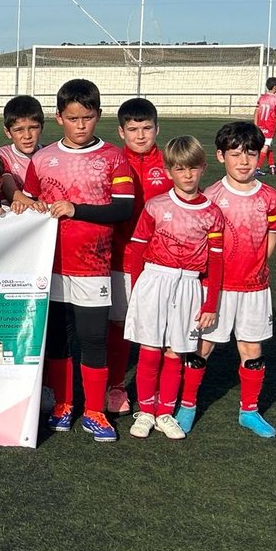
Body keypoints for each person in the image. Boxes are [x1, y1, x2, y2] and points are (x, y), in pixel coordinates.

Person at [20, 79, 137, 442]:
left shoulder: (112, 157)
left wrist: (75, 209)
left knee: (93, 339)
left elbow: (123, 208)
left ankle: (95, 410)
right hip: (51, 265)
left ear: (98, 115)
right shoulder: (42, 159)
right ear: (59, 118)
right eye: (73, 118)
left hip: (93, 265)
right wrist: (28, 204)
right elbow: (24, 200)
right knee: (58, 338)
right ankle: (64, 404)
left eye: (87, 117)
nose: (81, 125)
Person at [122, 136, 224, 441]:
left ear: (203, 168)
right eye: (180, 169)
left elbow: (216, 262)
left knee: (175, 351)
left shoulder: (212, 212)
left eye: (193, 168)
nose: (188, 175)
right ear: (169, 172)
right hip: (155, 281)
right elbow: (138, 249)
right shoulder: (156, 205)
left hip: (189, 285)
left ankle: (165, 412)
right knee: (150, 348)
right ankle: (146, 412)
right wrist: (135, 288)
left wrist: (210, 304)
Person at [195, 121, 276, 438]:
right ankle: (188, 406)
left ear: (260, 156)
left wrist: (256, 265)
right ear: (220, 156)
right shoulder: (210, 196)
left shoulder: (269, 197)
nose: (244, 161)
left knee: (251, 349)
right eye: (235, 154)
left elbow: (272, 235)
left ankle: (249, 410)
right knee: (202, 346)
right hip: (216, 288)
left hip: (254, 288)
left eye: (251, 153)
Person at [107, 97, 171, 414]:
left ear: (157, 128)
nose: (141, 135)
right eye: (133, 129)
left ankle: (155, 387)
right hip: (120, 256)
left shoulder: (172, 162)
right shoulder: (112, 161)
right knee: (119, 324)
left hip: (162, 262)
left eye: (147, 128)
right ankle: (116, 386)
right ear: (121, 131)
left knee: (157, 327)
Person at [254, 76, 276, 175]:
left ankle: (272, 166)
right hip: (269, 126)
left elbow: (256, 111)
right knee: (265, 146)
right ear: (275, 87)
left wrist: (255, 124)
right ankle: (256, 168)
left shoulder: (261, 98)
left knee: (269, 146)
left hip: (261, 125)